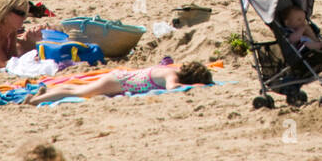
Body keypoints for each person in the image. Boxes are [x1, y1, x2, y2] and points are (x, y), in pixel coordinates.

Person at [25, 62, 213, 104]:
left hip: (118, 78)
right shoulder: (172, 76)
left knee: (79, 88)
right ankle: (35, 101)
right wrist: (197, 87)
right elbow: (173, 88)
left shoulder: (170, 70)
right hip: (118, 83)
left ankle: (47, 91)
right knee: (78, 94)